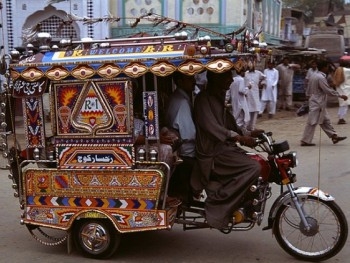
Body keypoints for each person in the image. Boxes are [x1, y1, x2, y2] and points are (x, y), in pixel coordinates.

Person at [191, 69, 262, 230]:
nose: (231, 81)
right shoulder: (203, 99)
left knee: (258, 161)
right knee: (253, 167)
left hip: (224, 148)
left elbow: (230, 124)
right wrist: (239, 138)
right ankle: (219, 200)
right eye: (227, 78)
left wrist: (248, 133)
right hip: (212, 152)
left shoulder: (219, 98)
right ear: (216, 79)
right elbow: (212, 127)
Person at [300, 60, 348, 146]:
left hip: (316, 101)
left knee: (325, 120)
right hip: (318, 102)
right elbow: (327, 90)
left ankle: (334, 136)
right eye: (327, 67)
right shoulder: (320, 78)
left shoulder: (314, 75)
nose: (328, 69)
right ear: (324, 67)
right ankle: (305, 140)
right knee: (313, 121)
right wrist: (341, 95)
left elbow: (308, 88)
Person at [165, 71, 197, 202]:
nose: (194, 81)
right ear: (179, 81)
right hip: (187, 153)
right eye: (190, 79)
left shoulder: (177, 97)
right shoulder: (181, 101)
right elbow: (190, 133)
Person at [244, 63, 265, 129]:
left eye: (252, 66)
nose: (250, 68)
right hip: (247, 94)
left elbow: (265, 77)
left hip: (255, 93)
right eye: (249, 67)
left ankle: (252, 127)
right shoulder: (246, 73)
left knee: (255, 110)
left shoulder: (258, 73)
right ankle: (246, 126)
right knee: (248, 110)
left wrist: (261, 83)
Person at [333, 60, 350, 124]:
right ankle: (341, 118)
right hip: (346, 89)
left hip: (339, 89)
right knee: (344, 104)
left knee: (342, 104)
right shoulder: (346, 70)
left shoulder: (338, 69)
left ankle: (341, 117)